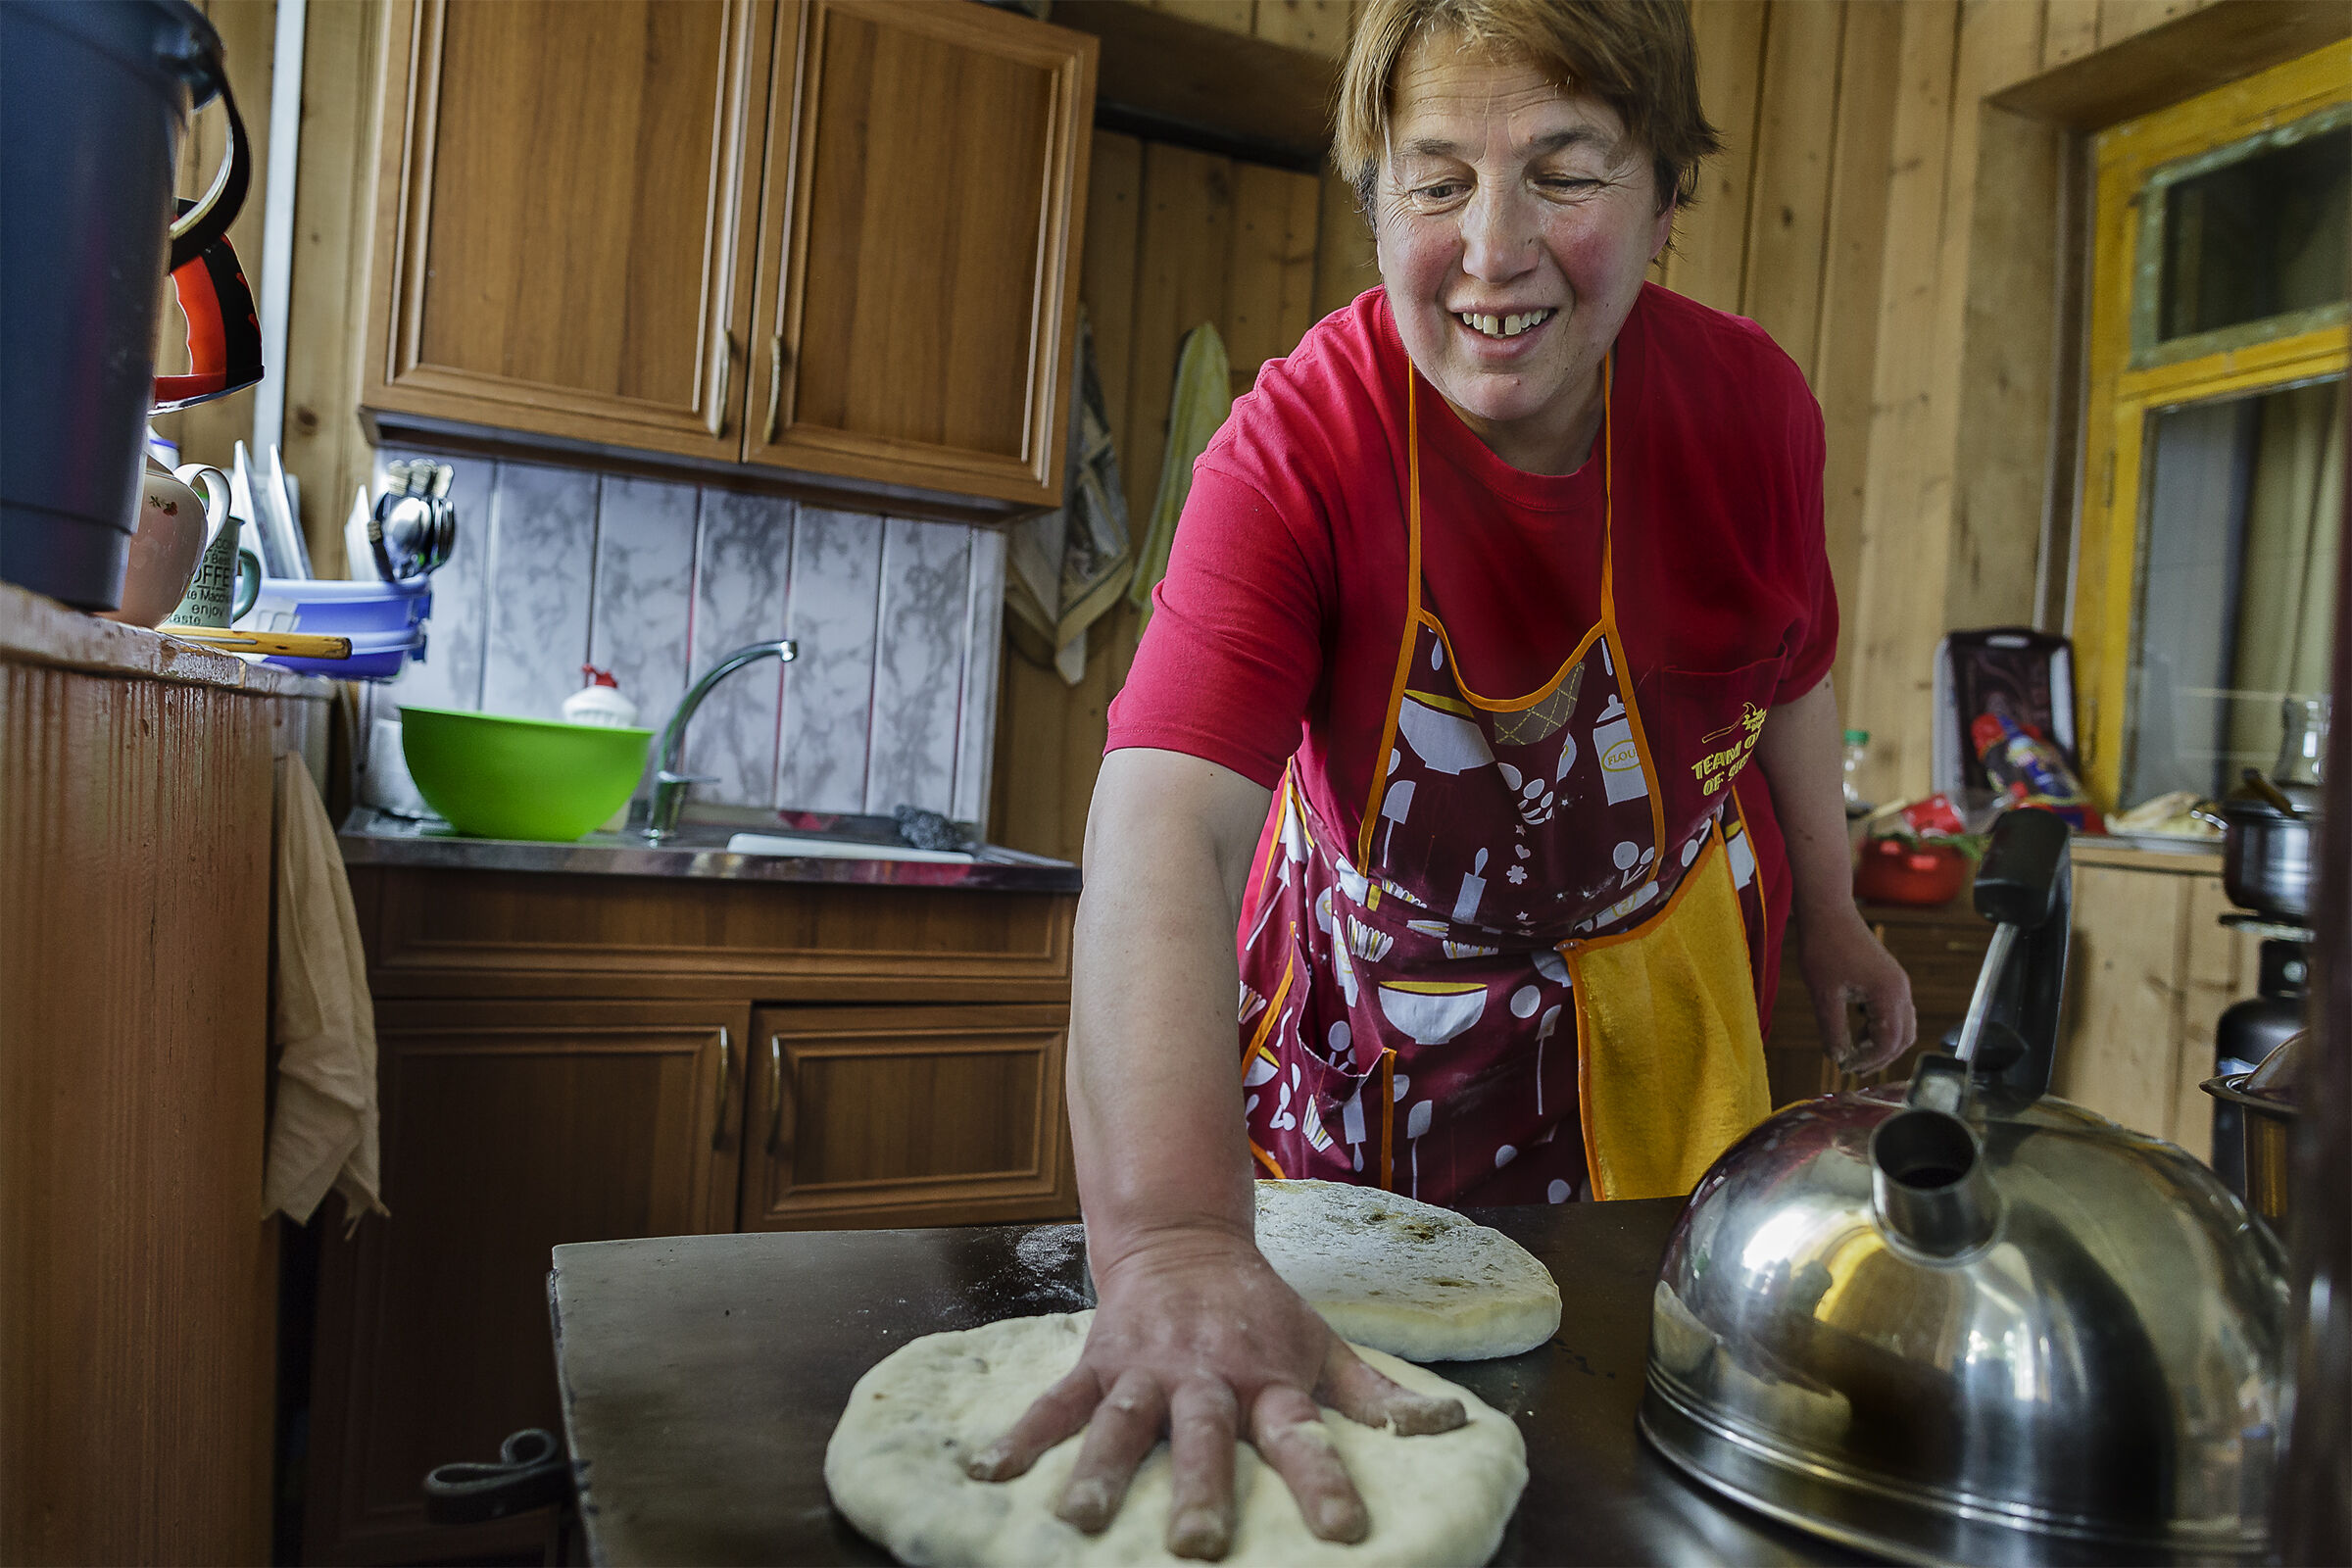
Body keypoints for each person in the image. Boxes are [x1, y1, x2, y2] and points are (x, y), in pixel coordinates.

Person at [969, 0, 1917, 1555]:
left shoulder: (1756, 414)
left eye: (1564, 172)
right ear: (1375, 204)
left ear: (1669, 200)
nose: (1493, 249)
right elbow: (1161, 835)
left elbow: (1793, 663)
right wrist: (1179, 1247)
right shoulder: (1294, 453)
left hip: (1656, 993)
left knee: (1632, 1449)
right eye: (1435, 179)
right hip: (1372, 1012)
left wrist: (1832, 911)